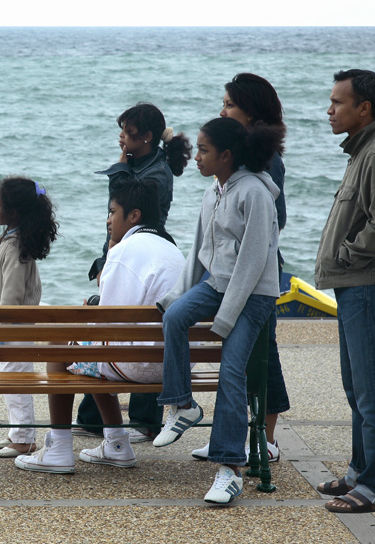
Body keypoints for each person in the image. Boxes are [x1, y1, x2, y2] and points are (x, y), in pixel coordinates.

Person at [15, 175, 185, 473]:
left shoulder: (124, 252)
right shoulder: (172, 249)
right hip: (176, 366)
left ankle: (59, 448)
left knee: (61, 343)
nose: (108, 220)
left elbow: (108, 323)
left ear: (134, 216)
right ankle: (117, 444)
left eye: (112, 212)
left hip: (138, 365)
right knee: (91, 348)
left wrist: (89, 313)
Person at [153, 117, 282, 504]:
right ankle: (183, 406)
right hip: (219, 284)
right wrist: (175, 297)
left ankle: (230, 469)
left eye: (204, 150)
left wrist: (226, 317)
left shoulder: (255, 193)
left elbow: (253, 261)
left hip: (254, 293)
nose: (196, 157)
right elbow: (199, 250)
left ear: (226, 155)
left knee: (231, 369)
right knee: (175, 317)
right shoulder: (213, 191)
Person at [315, 69, 375, 514]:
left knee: (374, 393)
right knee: (358, 389)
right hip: (356, 286)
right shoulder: (362, 151)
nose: (329, 110)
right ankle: (359, 471)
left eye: (338, 102)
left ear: (363, 108)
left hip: (371, 286)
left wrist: (346, 256)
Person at [78, 102, 192, 443]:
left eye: (129, 133)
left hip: (142, 247)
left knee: (139, 325)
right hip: (126, 246)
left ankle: (143, 420)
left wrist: (121, 167)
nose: (122, 138)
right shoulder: (142, 163)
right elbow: (119, 214)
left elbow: (131, 207)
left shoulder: (157, 172)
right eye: (122, 132)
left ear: (147, 137)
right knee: (121, 327)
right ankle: (93, 419)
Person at [192, 73, 290, 464]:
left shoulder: (266, 162)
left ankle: (266, 438)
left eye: (230, 104)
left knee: (262, 353)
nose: (223, 111)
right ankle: (229, 435)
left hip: (257, 272)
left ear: (251, 113)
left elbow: (273, 219)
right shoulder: (235, 156)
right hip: (227, 269)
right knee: (237, 356)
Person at [0, 176, 59, 458]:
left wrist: (1, 329)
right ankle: (17, 433)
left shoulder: (16, 247)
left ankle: (25, 439)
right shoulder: (12, 240)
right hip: (12, 328)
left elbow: (12, 294)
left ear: (13, 213)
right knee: (11, 380)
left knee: (16, 382)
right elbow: (0, 274)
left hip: (13, 328)